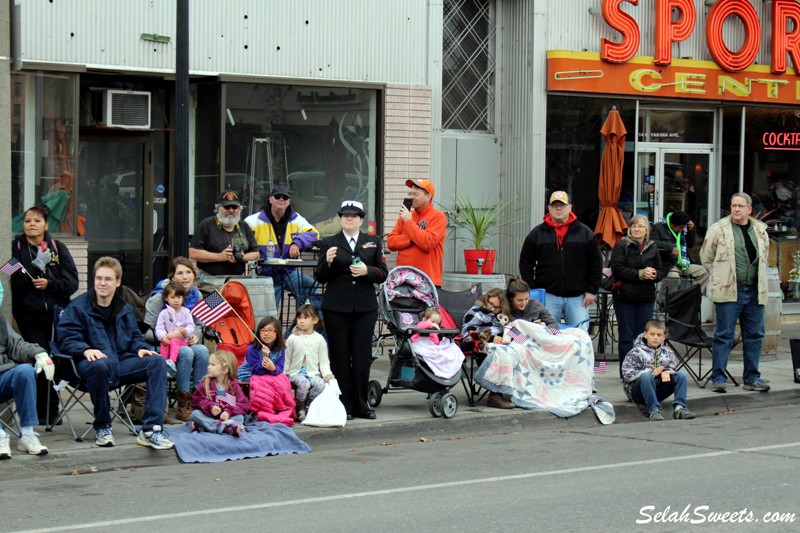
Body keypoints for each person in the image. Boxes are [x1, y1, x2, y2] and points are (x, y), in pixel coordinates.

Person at [56, 257, 174, 449]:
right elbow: (66, 339)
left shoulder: (124, 308)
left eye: (108, 279)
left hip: (119, 363)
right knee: (100, 365)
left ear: (118, 282)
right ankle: (103, 426)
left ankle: (151, 430)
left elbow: (135, 336)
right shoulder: (78, 307)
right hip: (87, 365)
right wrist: (85, 349)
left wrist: (140, 348)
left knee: (157, 361)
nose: (102, 283)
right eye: (99, 278)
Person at [315, 200, 388, 420]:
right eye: (345, 215)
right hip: (337, 306)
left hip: (364, 307)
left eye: (354, 216)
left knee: (362, 356)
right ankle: (344, 404)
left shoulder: (372, 242)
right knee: (340, 355)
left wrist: (368, 271)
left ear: (361, 220)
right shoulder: (329, 242)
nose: (349, 218)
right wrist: (327, 263)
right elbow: (320, 277)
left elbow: (383, 273)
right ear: (340, 218)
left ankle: (361, 403)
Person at [10, 205, 79, 425]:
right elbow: (13, 282)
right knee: (40, 359)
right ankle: (42, 412)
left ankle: (51, 409)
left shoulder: (57, 247)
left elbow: (72, 284)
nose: (32, 224)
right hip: (29, 317)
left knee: (56, 360)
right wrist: (37, 264)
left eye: (37, 220)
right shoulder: (14, 247)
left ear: (46, 225)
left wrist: (49, 284)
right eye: (28, 220)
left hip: (57, 317)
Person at [700, 192, 771, 393]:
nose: (736, 209)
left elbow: (764, 258)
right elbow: (706, 257)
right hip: (730, 290)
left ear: (750, 209)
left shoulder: (760, 230)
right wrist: (719, 277)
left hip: (755, 290)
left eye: (740, 206)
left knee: (755, 335)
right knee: (724, 335)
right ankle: (719, 379)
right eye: (733, 205)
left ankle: (752, 378)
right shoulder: (718, 230)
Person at [519, 191, 603, 332]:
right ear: (549, 208)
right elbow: (525, 262)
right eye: (555, 205)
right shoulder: (537, 233)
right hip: (548, 297)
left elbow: (596, 262)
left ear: (570, 207)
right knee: (547, 337)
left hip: (578, 297)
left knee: (579, 337)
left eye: (562, 205)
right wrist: (534, 290)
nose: (558, 209)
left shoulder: (585, 233)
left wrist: (592, 290)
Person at [144, 257, 211, 421]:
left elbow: (198, 325)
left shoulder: (197, 296)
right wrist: (166, 336)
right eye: (180, 273)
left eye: (188, 272)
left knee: (202, 350)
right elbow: (145, 331)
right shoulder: (160, 297)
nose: (185, 277)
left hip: (186, 341)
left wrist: (195, 335)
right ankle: (183, 404)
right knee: (187, 352)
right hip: (162, 346)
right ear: (172, 277)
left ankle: (198, 400)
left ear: (194, 275)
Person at [244, 184, 320, 309]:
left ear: (289, 201)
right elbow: (240, 242)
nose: (281, 199)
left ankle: (302, 321)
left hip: (287, 273)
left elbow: (314, 234)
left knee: (311, 286)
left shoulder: (296, 219)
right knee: (269, 315)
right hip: (264, 275)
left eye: (285, 197)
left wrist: (297, 242)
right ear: (270, 199)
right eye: (277, 196)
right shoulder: (252, 221)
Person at [611, 215, 663, 376]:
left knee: (642, 336)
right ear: (630, 229)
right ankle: (626, 371)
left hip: (646, 297)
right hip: (625, 297)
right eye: (634, 226)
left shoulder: (652, 247)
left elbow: (661, 270)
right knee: (626, 336)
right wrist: (640, 274)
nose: (637, 229)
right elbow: (618, 269)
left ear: (647, 230)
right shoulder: (621, 245)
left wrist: (654, 274)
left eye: (641, 226)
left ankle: (642, 369)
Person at [0, 315, 54, 458]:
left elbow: (17, 345)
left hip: (2, 376)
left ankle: (27, 434)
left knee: (25, 371)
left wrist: (39, 353)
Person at [622, 320, 696, 421]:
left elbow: (671, 366)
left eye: (659, 335)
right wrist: (652, 373)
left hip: (658, 390)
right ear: (645, 335)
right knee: (646, 377)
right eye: (652, 334)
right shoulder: (636, 352)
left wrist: (667, 371)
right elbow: (627, 374)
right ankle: (654, 410)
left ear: (664, 337)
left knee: (680, 376)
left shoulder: (668, 352)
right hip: (637, 393)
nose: (655, 337)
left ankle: (680, 408)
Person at [461, 288, 515, 410]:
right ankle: (495, 395)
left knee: (521, 350)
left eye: (497, 307)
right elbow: (467, 334)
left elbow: (511, 330)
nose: (492, 309)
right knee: (500, 354)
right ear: (487, 299)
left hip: (501, 346)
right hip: (479, 346)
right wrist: (490, 338)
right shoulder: (477, 312)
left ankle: (520, 393)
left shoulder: (502, 316)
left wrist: (522, 339)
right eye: (491, 304)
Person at [387, 178, 447, 286]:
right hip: (402, 278)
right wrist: (411, 240)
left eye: (416, 194)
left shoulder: (438, 217)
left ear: (428, 196)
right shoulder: (405, 216)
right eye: (410, 193)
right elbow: (391, 242)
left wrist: (409, 222)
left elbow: (428, 243)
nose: (411, 197)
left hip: (427, 280)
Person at [189, 190, 259, 277]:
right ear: (218, 208)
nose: (231, 210)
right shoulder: (206, 225)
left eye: (234, 207)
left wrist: (242, 258)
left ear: (239, 209)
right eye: (227, 207)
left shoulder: (244, 226)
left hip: (237, 280)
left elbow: (255, 253)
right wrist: (220, 257)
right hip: (209, 281)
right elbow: (193, 253)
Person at [244, 317, 296, 425]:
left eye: (270, 330)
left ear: (277, 332)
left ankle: (281, 407)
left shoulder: (281, 348)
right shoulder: (252, 349)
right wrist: (265, 356)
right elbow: (255, 370)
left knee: (282, 381)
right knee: (266, 384)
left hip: (271, 374)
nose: (266, 334)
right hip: (251, 374)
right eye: (263, 330)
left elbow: (280, 368)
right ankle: (266, 410)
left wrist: (273, 368)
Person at [284, 304, 332, 423]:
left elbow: (324, 361)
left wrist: (327, 374)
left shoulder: (319, 339)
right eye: (299, 318)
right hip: (296, 373)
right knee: (304, 383)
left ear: (315, 320)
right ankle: (300, 405)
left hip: (312, 373)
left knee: (320, 384)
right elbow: (286, 357)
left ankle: (309, 404)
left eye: (305, 318)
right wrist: (283, 373)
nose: (301, 321)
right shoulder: (293, 338)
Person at [190, 350, 249, 437]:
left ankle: (207, 427)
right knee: (195, 414)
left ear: (224, 370)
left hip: (226, 418)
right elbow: (197, 400)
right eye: (209, 364)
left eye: (213, 365)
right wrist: (210, 407)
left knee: (240, 417)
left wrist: (228, 412)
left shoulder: (233, 386)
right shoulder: (206, 383)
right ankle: (224, 428)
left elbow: (242, 404)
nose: (208, 367)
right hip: (209, 417)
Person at [651, 210, 709, 296]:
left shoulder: (682, 229)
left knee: (704, 272)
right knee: (674, 278)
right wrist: (670, 248)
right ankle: (662, 300)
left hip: (682, 263)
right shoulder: (657, 228)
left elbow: (690, 244)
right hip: (667, 263)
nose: (682, 229)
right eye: (680, 227)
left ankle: (689, 298)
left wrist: (691, 230)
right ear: (672, 224)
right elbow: (653, 243)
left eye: (684, 227)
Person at [410, 308, 465, 380]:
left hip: (433, 345)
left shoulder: (435, 330)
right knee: (437, 351)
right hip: (422, 343)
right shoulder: (422, 324)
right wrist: (430, 324)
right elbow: (421, 326)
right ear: (424, 319)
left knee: (452, 346)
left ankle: (446, 367)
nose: (436, 324)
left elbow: (436, 341)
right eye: (433, 321)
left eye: (437, 323)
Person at [154, 281, 194, 378]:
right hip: (170, 339)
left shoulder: (186, 312)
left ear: (183, 298)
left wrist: (186, 331)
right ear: (166, 298)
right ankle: (163, 364)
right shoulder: (164, 313)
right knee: (165, 342)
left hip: (183, 341)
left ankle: (172, 362)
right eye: (173, 297)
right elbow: (159, 327)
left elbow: (191, 325)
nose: (176, 300)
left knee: (174, 341)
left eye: (179, 297)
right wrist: (163, 336)